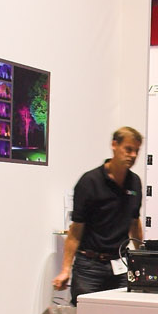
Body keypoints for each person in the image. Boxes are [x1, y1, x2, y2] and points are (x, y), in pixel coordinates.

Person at [53, 126, 144, 301]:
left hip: (120, 264)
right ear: (114, 145)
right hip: (89, 267)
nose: (133, 155)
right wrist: (65, 270)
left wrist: (142, 259)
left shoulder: (134, 182)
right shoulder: (89, 182)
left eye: (136, 151)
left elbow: (134, 223)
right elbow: (75, 230)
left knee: (122, 312)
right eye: (128, 149)